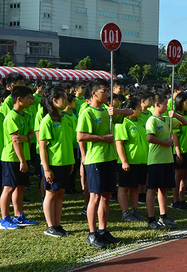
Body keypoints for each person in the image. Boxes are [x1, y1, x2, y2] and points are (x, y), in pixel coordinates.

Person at [77, 79, 132, 249]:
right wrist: (103, 138)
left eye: (108, 91)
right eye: (104, 91)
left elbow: (130, 111)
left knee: (106, 196)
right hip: (96, 159)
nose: (107, 94)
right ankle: (92, 233)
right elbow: (80, 136)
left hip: (109, 158)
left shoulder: (108, 112)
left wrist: (117, 111)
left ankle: (103, 230)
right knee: (94, 196)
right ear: (94, 93)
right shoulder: (87, 113)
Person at [146, 92, 187, 229]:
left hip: (167, 159)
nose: (167, 107)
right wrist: (166, 142)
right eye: (165, 105)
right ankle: (151, 218)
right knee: (152, 189)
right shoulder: (152, 120)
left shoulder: (167, 119)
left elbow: (185, 122)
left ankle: (163, 216)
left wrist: (175, 115)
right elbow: (150, 138)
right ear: (157, 105)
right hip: (156, 160)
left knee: (164, 189)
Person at [38, 87, 75, 237]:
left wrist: (71, 162)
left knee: (60, 194)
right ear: (54, 101)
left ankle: (57, 224)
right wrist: (46, 169)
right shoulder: (47, 120)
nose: (66, 101)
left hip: (66, 163)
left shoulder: (67, 118)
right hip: (54, 164)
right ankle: (50, 226)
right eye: (64, 99)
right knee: (51, 194)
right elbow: (42, 147)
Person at [0, 85, 36, 230]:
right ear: (19, 99)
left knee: (20, 187)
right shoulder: (11, 117)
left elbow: (31, 135)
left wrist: (26, 138)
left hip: (24, 157)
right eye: (29, 98)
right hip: (12, 158)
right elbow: (15, 141)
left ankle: (18, 215)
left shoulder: (27, 115)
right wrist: (22, 160)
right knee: (9, 188)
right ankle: (4, 219)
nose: (32, 101)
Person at [114, 97, 148, 222]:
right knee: (124, 187)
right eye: (139, 108)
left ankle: (135, 210)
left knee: (136, 186)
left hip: (141, 161)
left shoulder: (141, 121)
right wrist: (124, 161)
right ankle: (125, 213)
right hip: (129, 162)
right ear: (131, 110)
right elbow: (119, 144)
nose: (141, 110)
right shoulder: (123, 123)